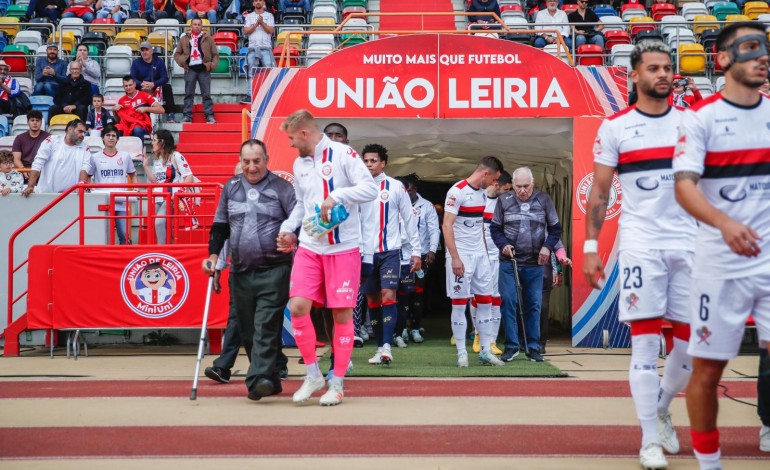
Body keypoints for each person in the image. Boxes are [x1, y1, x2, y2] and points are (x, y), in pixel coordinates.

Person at [583, 40, 697, 469]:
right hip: (641, 246)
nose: (663, 74)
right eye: (653, 68)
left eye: (668, 67)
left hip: (690, 244)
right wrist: (592, 247)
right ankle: (649, 438)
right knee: (645, 345)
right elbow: (599, 192)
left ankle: (663, 407)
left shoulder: (692, 123)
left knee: (687, 348)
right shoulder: (615, 127)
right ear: (634, 75)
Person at [672, 22, 770, 470]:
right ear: (724, 59)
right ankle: (709, 464)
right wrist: (724, 223)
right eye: (751, 48)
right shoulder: (701, 119)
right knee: (709, 371)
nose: (762, 56)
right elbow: (685, 188)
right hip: (720, 264)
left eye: (765, 48)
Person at [276, 109, 377, 406]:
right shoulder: (299, 163)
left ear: (305, 133)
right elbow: (302, 205)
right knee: (297, 307)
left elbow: (370, 188)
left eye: (292, 138)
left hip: (343, 247)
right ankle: (313, 374)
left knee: (341, 315)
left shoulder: (343, 154)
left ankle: (337, 382)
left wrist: (338, 196)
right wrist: (288, 229)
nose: (291, 145)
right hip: (309, 246)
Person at [203, 139, 297, 400]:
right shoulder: (231, 187)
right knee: (246, 330)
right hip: (241, 271)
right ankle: (271, 379)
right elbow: (220, 226)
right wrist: (213, 256)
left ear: (266, 159)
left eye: (257, 161)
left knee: (265, 324)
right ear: (240, 161)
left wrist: (291, 238)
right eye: (246, 161)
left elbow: (297, 222)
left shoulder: (282, 188)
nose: (251, 167)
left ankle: (258, 380)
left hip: (274, 269)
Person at [491, 167, 563, 364]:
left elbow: (556, 229)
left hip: (535, 263)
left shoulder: (544, 200)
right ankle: (512, 346)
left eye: (526, 186)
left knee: (534, 305)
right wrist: (503, 244)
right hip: (509, 261)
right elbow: (495, 228)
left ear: (533, 184)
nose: (522, 191)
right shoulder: (503, 201)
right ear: (512, 186)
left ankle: (533, 347)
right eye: (518, 187)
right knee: (508, 301)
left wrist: (547, 247)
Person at [359, 143, 421, 366]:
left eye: (373, 160)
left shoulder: (395, 187)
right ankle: (379, 348)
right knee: (373, 300)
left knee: (388, 295)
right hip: (365, 254)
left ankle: (387, 346)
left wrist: (416, 251)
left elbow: (409, 218)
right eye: (366, 161)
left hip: (390, 252)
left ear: (383, 163)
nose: (369, 165)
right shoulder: (357, 187)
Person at [443, 156, 504, 368]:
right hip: (461, 256)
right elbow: (447, 226)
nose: (495, 184)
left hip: (481, 256)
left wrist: (485, 255)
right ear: (485, 173)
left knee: (486, 301)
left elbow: (480, 226)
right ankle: (462, 353)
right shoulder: (457, 191)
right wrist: (455, 257)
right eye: (495, 179)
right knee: (459, 303)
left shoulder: (482, 195)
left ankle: (486, 350)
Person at [471, 169, 512, 356]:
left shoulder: (505, 205)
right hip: (477, 256)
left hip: (496, 257)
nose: (508, 194)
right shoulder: (477, 199)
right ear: (496, 185)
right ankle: (478, 334)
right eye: (506, 189)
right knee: (477, 298)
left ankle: (492, 340)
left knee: (496, 298)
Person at [400, 175, 440, 343]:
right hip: (401, 254)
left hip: (421, 254)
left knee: (418, 292)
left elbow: (434, 229)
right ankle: (401, 328)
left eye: (407, 191)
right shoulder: (398, 203)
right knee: (402, 293)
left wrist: (432, 250)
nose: (405, 194)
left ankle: (415, 328)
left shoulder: (427, 206)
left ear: (414, 190)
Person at [86, 125, 137, 244]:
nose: (111, 138)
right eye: (108, 135)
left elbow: (133, 175)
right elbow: (88, 176)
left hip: (121, 203)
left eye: (113, 135)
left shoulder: (125, 156)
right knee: (102, 236)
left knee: (124, 235)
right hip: (103, 203)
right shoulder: (95, 157)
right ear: (103, 138)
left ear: (117, 139)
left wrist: (135, 189)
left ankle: (125, 259)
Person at [143, 129, 194, 243]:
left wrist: (178, 193)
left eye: (154, 140)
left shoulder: (176, 156)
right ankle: (169, 250)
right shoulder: (157, 159)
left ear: (162, 142)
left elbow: (189, 176)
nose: (152, 143)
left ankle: (162, 252)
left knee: (159, 222)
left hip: (170, 197)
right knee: (162, 226)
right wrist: (146, 167)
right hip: (158, 197)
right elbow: (155, 182)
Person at [22, 119, 90, 197]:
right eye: (80, 131)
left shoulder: (85, 146)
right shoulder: (52, 140)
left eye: (84, 132)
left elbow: (85, 167)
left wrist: (81, 184)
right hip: (47, 194)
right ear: (70, 129)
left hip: (72, 195)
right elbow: (38, 162)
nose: (83, 135)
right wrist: (31, 186)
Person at [174, 18, 218, 124]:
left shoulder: (209, 39)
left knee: (206, 94)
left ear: (202, 26)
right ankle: (187, 116)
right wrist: (183, 63)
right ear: (191, 26)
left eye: (199, 24)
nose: (197, 26)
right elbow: (177, 54)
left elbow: (215, 55)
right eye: (195, 24)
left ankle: (209, 116)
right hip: (190, 69)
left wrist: (211, 66)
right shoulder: (184, 39)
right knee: (189, 94)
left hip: (204, 69)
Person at [131, 42, 177, 124]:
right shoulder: (136, 63)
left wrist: (154, 84)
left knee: (167, 87)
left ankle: (171, 114)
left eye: (146, 50)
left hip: (156, 86)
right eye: (142, 50)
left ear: (151, 51)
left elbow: (164, 77)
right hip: (141, 87)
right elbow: (133, 78)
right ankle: (132, 112)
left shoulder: (159, 61)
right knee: (130, 87)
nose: (144, 52)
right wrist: (141, 83)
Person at [241, 0, 275, 104]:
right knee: (251, 72)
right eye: (256, 0)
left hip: (266, 47)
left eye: (260, 0)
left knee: (269, 70)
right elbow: (246, 31)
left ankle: (270, 94)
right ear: (253, 3)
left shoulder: (269, 15)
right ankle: (250, 95)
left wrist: (262, 23)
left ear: (263, 2)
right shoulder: (249, 16)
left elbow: (271, 31)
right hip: (252, 47)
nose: (258, 2)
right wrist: (256, 24)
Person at [113, 75, 165, 141]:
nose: (128, 87)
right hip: (127, 126)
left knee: (137, 129)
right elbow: (119, 121)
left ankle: (140, 150)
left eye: (130, 85)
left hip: (143, 125)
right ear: (123, 87)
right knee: (116, 129)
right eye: (126, 86)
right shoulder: (122, 100)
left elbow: (161, 110)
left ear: (134, 84)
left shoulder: (144, 95)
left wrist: (146, 108)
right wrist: (114, 111)